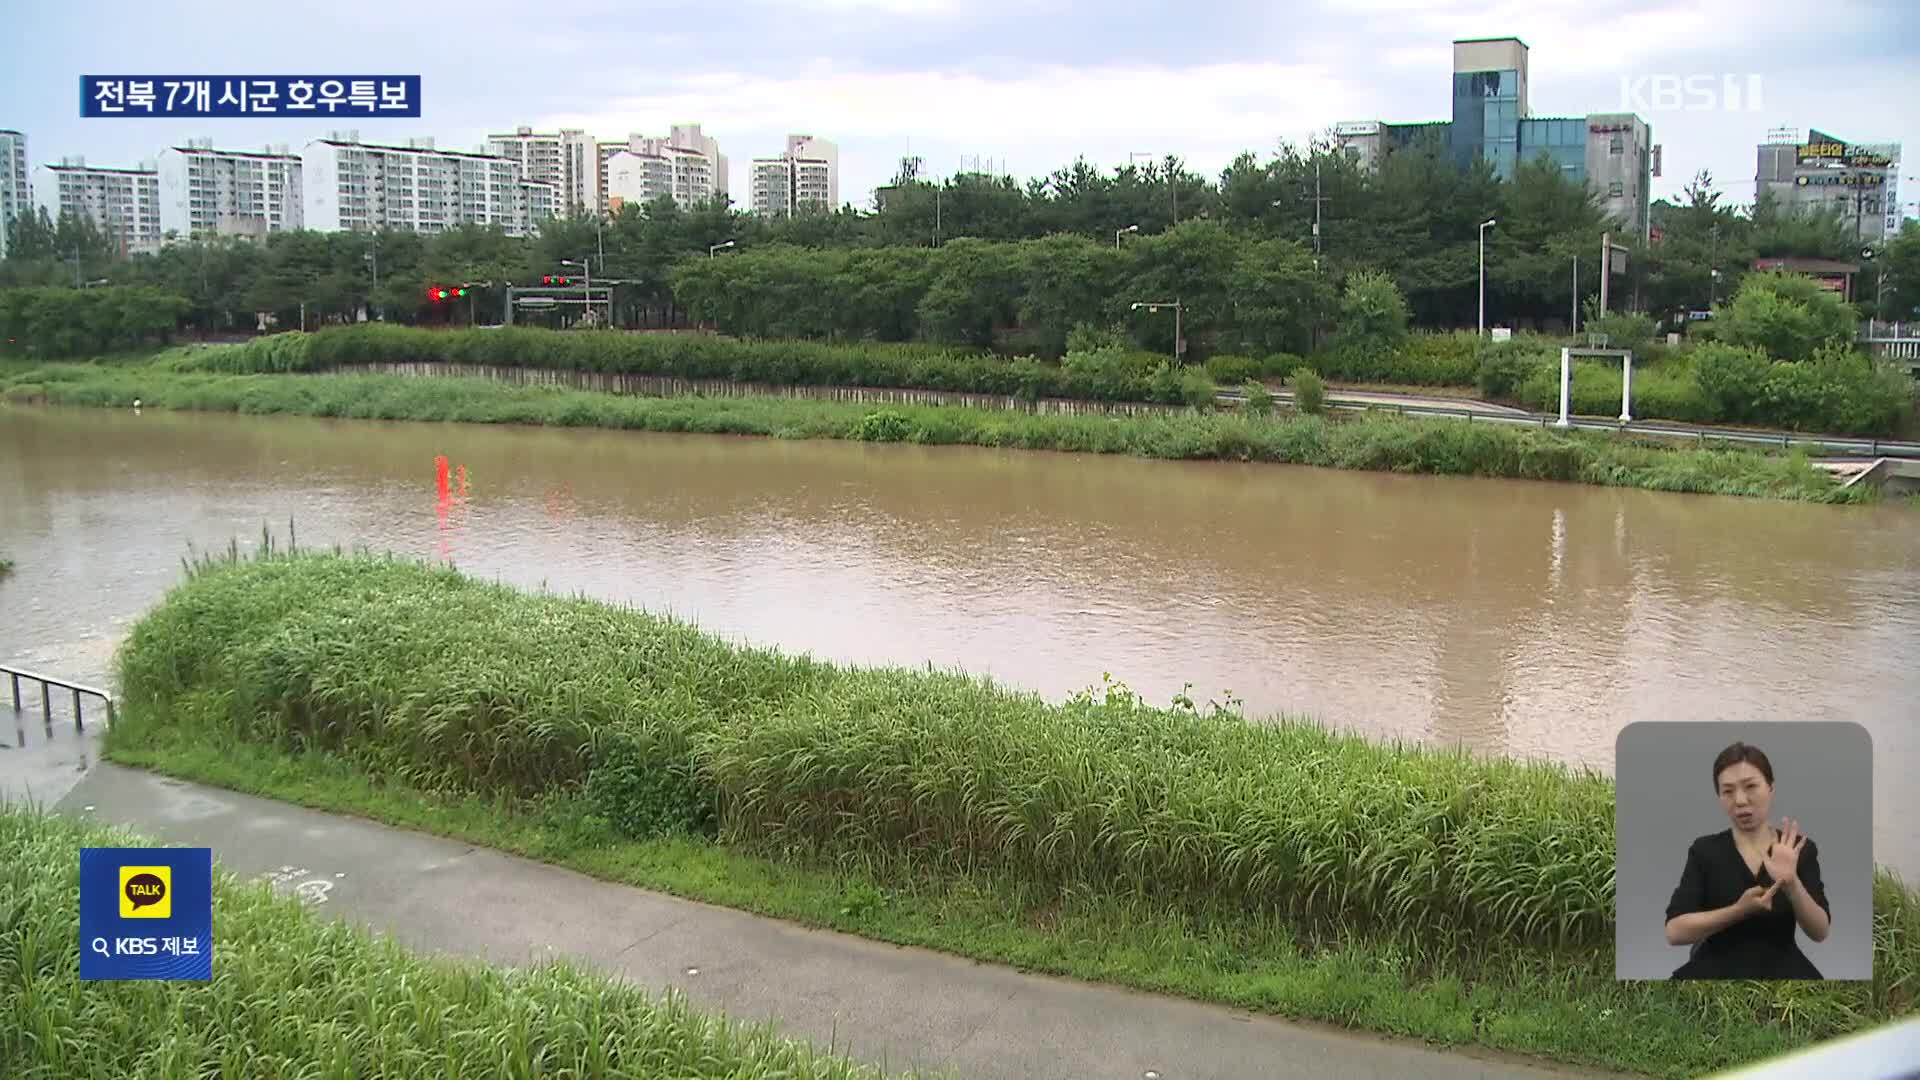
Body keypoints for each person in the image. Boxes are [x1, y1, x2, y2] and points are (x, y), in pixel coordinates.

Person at [1663, 742, 1831, 979]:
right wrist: (1738, 910)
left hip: (1784, 969)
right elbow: (1674, 932)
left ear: (1770, 788)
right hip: (1713, 967)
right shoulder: (1704, 851)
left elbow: (1820, 931)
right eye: (1728, 791)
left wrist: (1792, 883)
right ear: (1719, 796)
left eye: (1751, 786)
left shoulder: (1799, 849)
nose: (1740, 800)